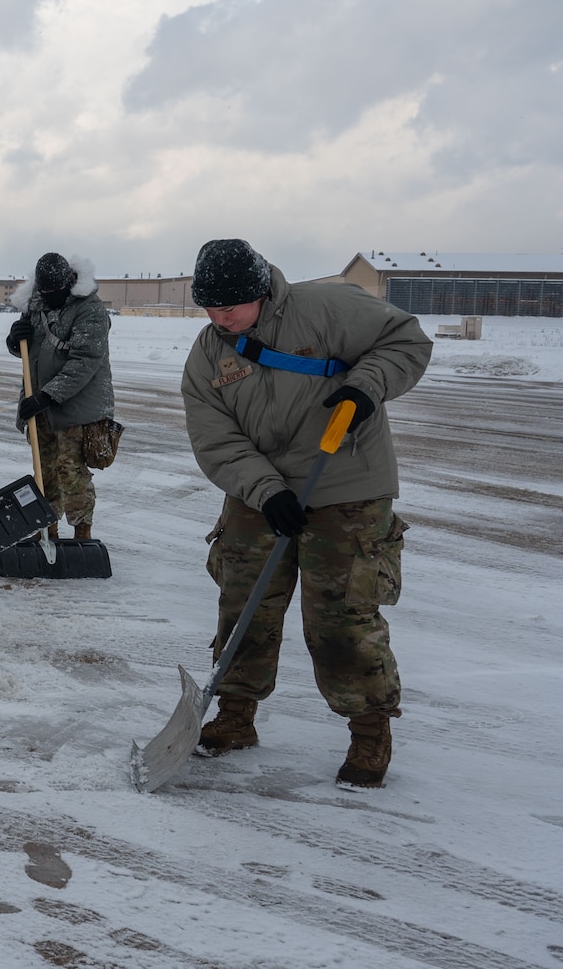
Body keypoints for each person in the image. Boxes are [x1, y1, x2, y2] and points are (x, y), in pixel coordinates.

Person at [181, 238, 429, 790]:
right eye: (210, 307)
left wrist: (366, 387)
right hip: (260, 492)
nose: (220, 318)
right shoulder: (208, 354)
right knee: (244, 604)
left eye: (231, 306)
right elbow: (214, 438)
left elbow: (406, 340)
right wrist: (265, 490)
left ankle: (369, 731)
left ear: (261, 292)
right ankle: (236, 715)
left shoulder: (327, 310)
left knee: (342, 616)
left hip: (347, 483)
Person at [5, 252, 115, 540]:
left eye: (57, 291)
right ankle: (46, 529)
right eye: (46, 291)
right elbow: (30, 350)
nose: (51, 296)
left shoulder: (89, 309)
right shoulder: (35, 304)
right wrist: (15, 339)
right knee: (44, 471)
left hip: (77, 405)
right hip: (40, 403)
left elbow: (85, 360)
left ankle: (82, 532)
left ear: (69, 282)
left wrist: (48, 396)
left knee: (71, 471)